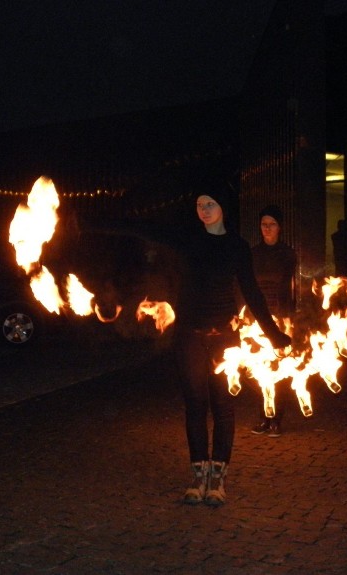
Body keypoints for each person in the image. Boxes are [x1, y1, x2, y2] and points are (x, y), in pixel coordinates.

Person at [83, 177, 291, 507]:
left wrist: (275, 334)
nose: (203, 210)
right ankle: (198, 474)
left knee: (222, 405)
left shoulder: (236, 247)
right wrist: (96, 222)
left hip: (225, 340)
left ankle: (218, 478)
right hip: (190, 337)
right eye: (199, 205)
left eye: (209, 204)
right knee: (196, 404)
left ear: (222, 207)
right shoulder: (187, 239)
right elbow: (142, 229)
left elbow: (252, 293)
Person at [249, 204, 297, 438]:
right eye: (263, 225)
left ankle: (277, 419)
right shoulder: (253, 253)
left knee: (280, 368)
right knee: (259, 368)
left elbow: (287, 287)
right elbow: (248, 286)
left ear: (280, 227)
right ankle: (264, 417)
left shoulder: (287, 254)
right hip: (258, 316)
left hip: (280, 315)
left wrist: (286, 320)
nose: (267, 229)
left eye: (272, 225)